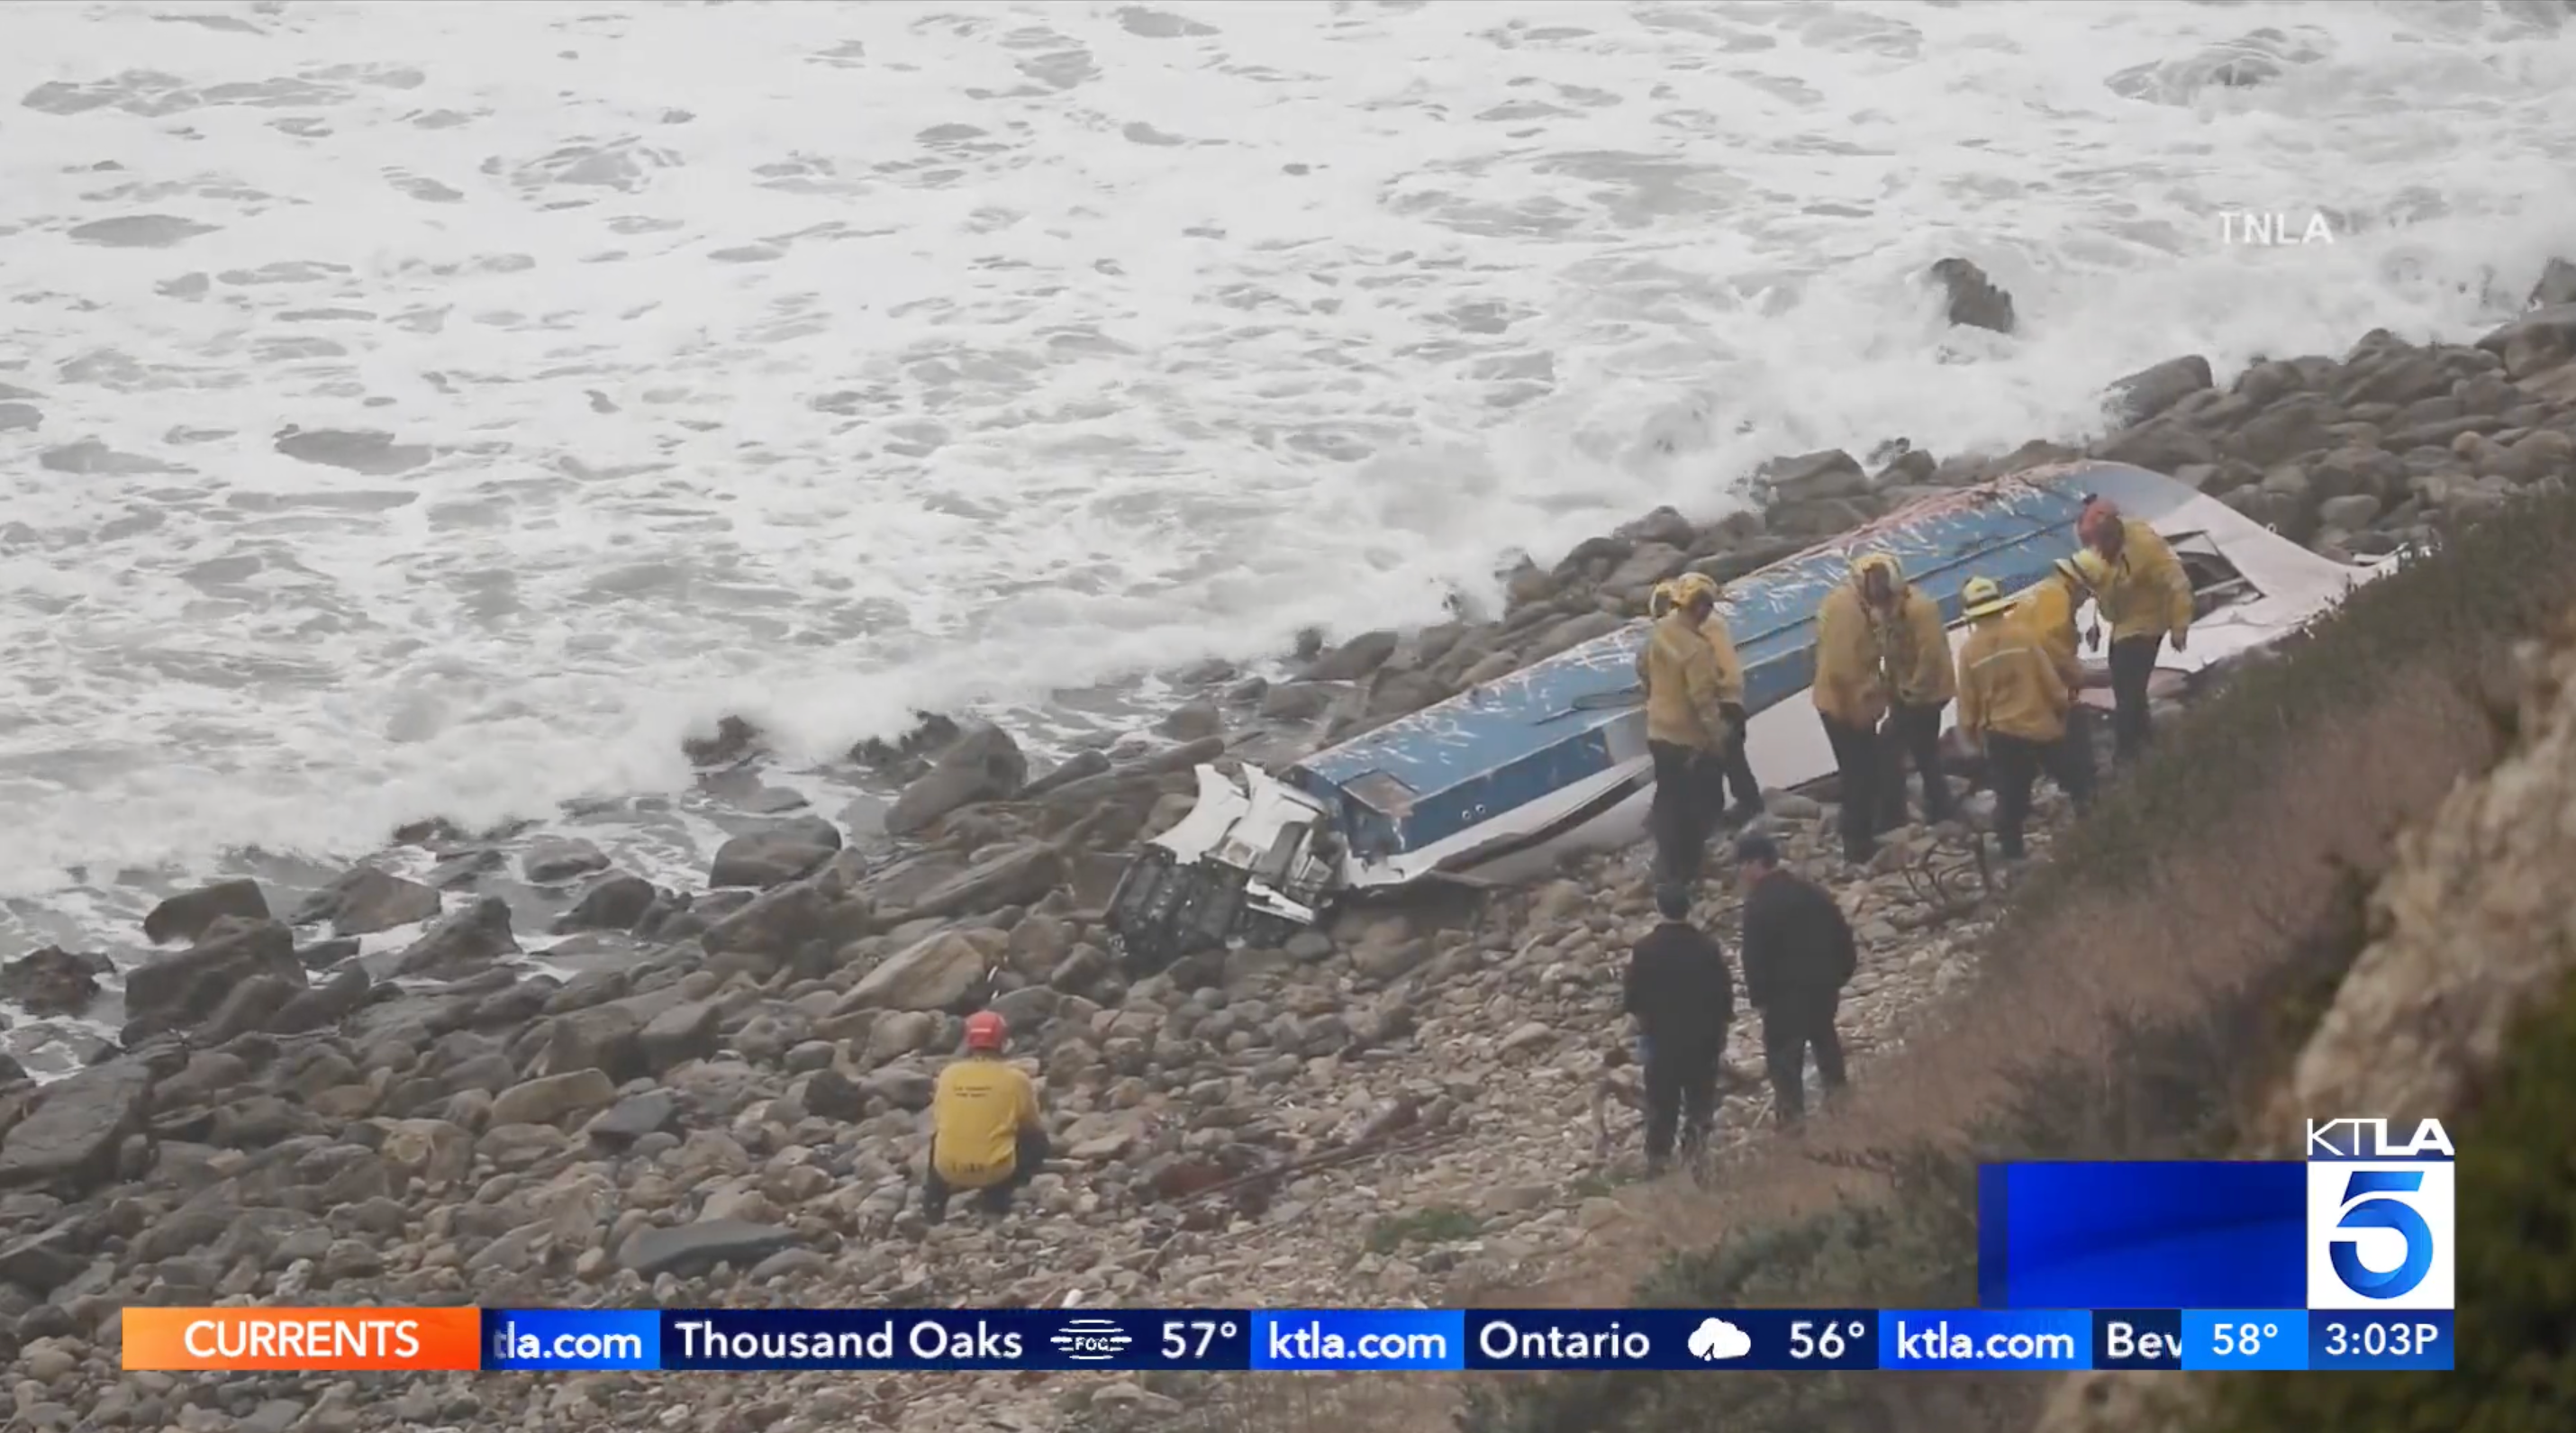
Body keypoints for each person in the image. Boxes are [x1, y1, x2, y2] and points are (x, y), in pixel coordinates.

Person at [1955, 576, 2094, 862]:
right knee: (2077, 781)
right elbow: (2050, 683)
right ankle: (2096, 831)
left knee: (2011, 799)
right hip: (2041, 726)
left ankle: (2014, 858)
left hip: (2002, 735)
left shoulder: (1969, 651)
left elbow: (1967, 703)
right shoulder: (2023, 636)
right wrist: (2065, 706)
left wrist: (1969, 736)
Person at [1735, 831, 1855, 1128]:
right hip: (1822, 988)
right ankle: (1843, 1109)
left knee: (1785, 1064)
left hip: (1782, 998)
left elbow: (1754, 957)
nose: (1740, 872)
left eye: (1742, 864)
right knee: (1826, 1045)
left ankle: (1792, 1125)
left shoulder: (1758, 904)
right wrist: (1840, 974)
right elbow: (1842, 936)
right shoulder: (1811, 892)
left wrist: (1759, 998)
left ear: (1756, 862)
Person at [1621, 882, 1737, 1176]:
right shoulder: (1707, 947)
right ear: (1689, 908)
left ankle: (1658, 1159)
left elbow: (1632, 998)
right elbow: (1725, 993)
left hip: (1661, 1039)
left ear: (1659, 909)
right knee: (1700, 1100)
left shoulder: (1645, 949)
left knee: (1661, 1102)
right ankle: (1695, 1154)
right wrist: (1722, 1026)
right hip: (1703, 1038)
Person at [2079, 497, 2193, 764]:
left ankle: (2127, 755)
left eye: (2102, 543)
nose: (2099, 550)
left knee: (2129, 691)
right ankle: (2146, 745)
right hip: (2122, 625)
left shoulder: (2145, 546)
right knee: (2124, 686)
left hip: (2148, 623)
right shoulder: (2099, 549)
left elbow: (2178, 584)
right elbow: (2102, 584)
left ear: (2114, 533)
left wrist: (2179, 626)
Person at [1636, 575, 1734, 883]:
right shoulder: (1696, 649)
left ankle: (1667, 864)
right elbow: (1702, 700)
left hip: (1658, 731)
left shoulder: (1662, 630)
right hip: (1687, 739)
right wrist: (1717, 737)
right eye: (1708, 606)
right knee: (1705, 803)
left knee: (1668, 799)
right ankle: (1689, 865)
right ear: (1700, 607)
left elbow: (1644, 668)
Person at [922, 1011, 1050, 1224]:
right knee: (1037, 1142)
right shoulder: (1016, 1080)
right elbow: (1032, 1125)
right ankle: (997, 1197)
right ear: (1003, 1041)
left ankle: (933, 1208)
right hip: (995, 1172)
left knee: (939, 1137)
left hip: (948, 1169)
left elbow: (941, 1117)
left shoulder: (949, 1074)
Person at [1661, 573, 1764, 825]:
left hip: (1722, 702)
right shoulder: (1709, 624)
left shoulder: (1703, 629)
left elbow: (1707, 671)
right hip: (1728, 699)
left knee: (1723, 759)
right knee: (1727, 759)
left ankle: (1744, 806)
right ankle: (1741, 805)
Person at [1811, 556, 1894, 866]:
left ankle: (1858, 833)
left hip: (1841, 701)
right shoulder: (1848, 613)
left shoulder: (1848, 602)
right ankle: (1857, 844)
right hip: (1844, 707)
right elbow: (1844, 669)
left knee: (1859, 772)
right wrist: (1862, 710)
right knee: (1860, 774)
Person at [1868, 556, 1958, 831]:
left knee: (1894, 743)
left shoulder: (1920, 609)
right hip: (1904, 690)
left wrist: (1914, 690)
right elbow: (1889, 653)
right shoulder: (1885, 613)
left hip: (1928, 692)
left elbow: (1930, 654)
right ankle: (1938, 807)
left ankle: (1895, 814)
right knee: (1923, 752)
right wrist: (1887, 686)